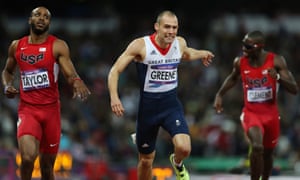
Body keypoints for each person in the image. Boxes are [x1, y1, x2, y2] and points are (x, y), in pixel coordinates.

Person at [108, 10, 214, 180]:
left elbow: (186, 53)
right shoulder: (141, 46)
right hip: (148, 111)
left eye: (174, 27)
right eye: (167, 27)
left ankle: (177, 163)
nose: (171, 31)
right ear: (157, 27)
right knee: (146, 161)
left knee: (184, 148)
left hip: (170, 106)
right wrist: (114, 97)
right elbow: (115, 71)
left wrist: (202, 53)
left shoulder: (179, 43)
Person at [1, 6, 91, 180]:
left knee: (47, 167)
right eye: (37, 15)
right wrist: (7, 86)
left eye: (46, 17)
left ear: (49, 22)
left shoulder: (58, 46)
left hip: (51, 112)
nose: (41, 18)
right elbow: (7, 71)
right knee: (27, 158)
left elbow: (69, 71)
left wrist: (77, 80)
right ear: (30, 20)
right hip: (28, 110)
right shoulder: (17, 46)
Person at [213, 30, 298, 180]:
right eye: (243, 45)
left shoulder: (276, 61)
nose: (244, 48)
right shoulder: (240, 62)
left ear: (260, 46)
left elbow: (294, 89)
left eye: (248, 46)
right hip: (251, 113)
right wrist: (220, 94)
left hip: (271, 114)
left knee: (268, 153)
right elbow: (233, 78)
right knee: (257, 146)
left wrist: (277, 77)